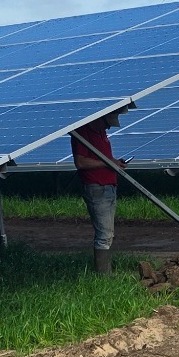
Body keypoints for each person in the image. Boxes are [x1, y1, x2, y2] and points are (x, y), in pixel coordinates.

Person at [72, 111, 124, 274]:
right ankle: (103, 276)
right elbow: (80, 162)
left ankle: (106, 271)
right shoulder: (82, 133)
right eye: (107, 124)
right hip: (96, 187)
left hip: (109, 186)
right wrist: (109, 163)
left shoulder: (102, 134)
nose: (108, 128)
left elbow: (105, 161)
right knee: (104, 234)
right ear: (99, 119)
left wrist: (115, 163)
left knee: (109, 233)